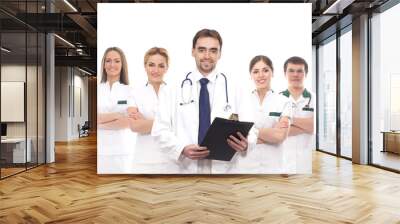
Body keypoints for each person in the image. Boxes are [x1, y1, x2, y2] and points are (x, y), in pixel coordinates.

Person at [152, 28, 254, 174]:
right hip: (184, 168)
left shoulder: (236, 88)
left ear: (220, 54)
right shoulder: (173, 88)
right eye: (201, 50)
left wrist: (246, 144)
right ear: (193, 51)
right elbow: (159, 129)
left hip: (223, 169)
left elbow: (252, 128)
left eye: (213, 50)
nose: (207, 56)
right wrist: (181, 148)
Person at [234, 55, 292, 173]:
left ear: (272, 72)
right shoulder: (241, 101)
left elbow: (280, 136)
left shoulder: (284, 101)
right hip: (245, 166)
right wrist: (269, 133)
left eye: (265, 70)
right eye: (256, 71)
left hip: (274, 166)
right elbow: (236, 136)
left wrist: (250, 133)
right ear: (251, 75)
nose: (260, 75)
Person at [128, 47, 180, 173]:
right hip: (143, 161)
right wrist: (167, 123)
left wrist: (145, 123)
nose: (156, 70)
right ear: (145, 66)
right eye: (151, 65)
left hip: (172, 161)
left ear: (167, 68)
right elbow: (134, 126)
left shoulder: (177, 93)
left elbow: (181, 124)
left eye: (161, 66)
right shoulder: (134, 93)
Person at [97, 47, 136, 174]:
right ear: (103, 64)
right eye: (108, 61)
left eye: (117, 61)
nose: (112, 64)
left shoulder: (130, 90)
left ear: (122, 64)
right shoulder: (97, 90)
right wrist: (117, 115)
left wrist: (101, 123)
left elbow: (130, 121)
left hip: (122, 151)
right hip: (100, 151)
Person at [280, 56, 315, 174]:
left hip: (307, 163)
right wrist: (307, 127)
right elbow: (275, 130)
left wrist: (289, 119)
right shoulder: (275, 99)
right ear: (285, 73)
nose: (295, 74)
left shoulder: (315, 98)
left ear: (306, 74)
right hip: (281, 162)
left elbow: (315, 126)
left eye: (300, 71)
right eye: (291, 70)